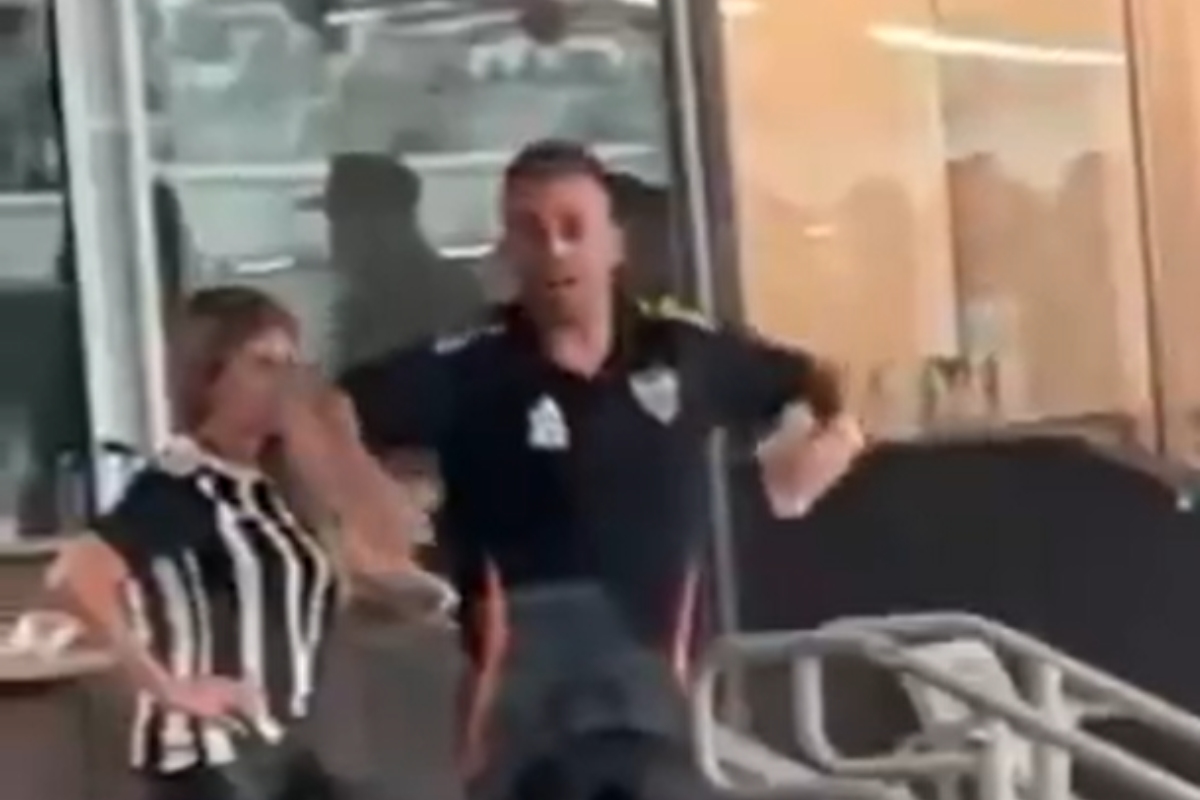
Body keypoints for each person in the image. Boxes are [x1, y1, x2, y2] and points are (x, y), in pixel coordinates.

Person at [339, 140, 864, 800]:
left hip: (660, 695)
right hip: (524, 716)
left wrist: (822, 450)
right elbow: (324, 409)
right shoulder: (471, 367)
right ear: (508, 250)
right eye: (531, 231)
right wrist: (368, 509)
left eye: (573, 228)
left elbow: (815, 381)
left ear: (614, 242)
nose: (555, 250)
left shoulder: (681, 350)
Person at [47, 286, 431, 800]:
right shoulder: (187, 482)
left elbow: (391, 541)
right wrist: (168, 688)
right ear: (211, 377)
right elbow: (75, 576)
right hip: (211, 756)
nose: (282, 384)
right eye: (262, 365)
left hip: (283, 750)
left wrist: (341, 441)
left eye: (289, 365)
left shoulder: (276, 489)